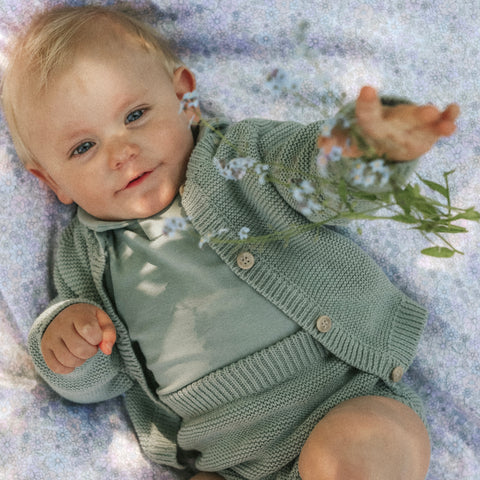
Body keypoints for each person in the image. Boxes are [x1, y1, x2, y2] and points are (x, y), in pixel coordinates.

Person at [0, 4, 460, 480]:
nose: (122, 153)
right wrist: (64, 346)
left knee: (357, 457)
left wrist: (361, 149)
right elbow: (103, 378)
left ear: (185, 98)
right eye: (83, 147)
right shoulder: (83, 254)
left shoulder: (239, 160)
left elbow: (316, 175)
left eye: (135, 115)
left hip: (344, 390)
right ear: (50, 180)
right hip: (225, 460)